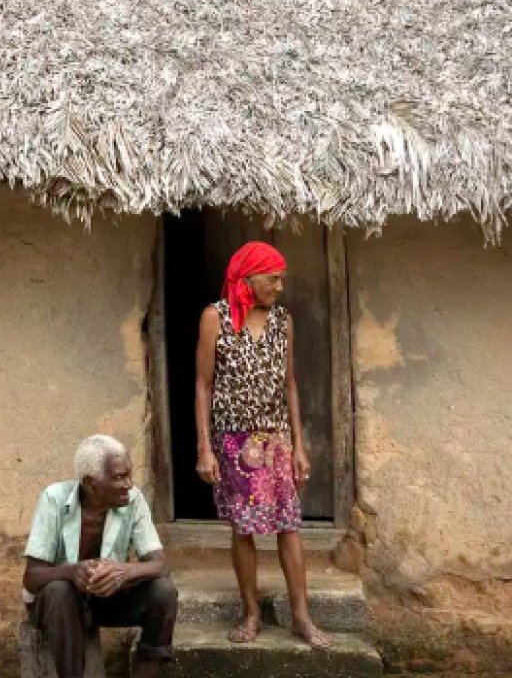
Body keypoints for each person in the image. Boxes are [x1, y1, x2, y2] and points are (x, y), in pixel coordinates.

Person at [194, 241, 332, 649]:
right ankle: (251, 613)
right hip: (233, 440)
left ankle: (301, 617)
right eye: (273, 278)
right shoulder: (215, 318)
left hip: (276, 440)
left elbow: (290, 384)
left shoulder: (282, 321)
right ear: (248, 278)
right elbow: (203, 384)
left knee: (289, 526)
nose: (279, 286)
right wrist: (204, 447)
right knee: (243, 528)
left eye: (281, 279)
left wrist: (299, 444)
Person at [23, 434, 177, 678]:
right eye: (119, 477)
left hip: (106, 600)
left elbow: (160, 565)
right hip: (57, 607)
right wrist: (72, 572)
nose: (128, 484)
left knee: (163, 592)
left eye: (129, 474)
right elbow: (32, 578)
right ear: (91, 484)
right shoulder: (54, 499)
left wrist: (125, 571)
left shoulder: (133, 500)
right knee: (60, 591)